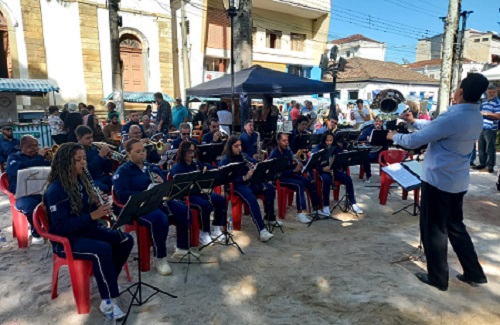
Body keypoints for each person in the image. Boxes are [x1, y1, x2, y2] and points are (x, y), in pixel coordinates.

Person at [387, 73, 489, 291]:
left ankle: (438, 277)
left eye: (457, 87)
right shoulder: (476, 116)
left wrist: (394, 137)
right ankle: (474, 272)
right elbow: (437, 128)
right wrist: (414, 122)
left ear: (460, 91)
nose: (454, 91)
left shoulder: (453, 117)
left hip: (438, 180)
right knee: (456, 227)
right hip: (458, 180)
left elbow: (415, 140)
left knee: (434, 230)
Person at [44, 143, 133, 320]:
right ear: (65, 163)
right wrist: (92, 215)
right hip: (67, 240)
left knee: (125, 239)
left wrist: (97, 203)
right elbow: (61, 227)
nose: (83, 163)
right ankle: (108, 301)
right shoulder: (56, 190)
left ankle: (109, 280)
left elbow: (84, 210)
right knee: (102, 249)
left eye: (84, 158)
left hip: (86, 230)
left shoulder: (80, 181)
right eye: (78, 160)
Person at [113, 139, 194, 275]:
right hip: (138, 206)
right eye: (137, 152)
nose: (142, 154)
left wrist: (162, 181)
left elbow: (167, 183)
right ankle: (160, 258)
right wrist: (144, 193)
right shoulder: (123, 171)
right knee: (160, 218)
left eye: (143, 151)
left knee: (183, 210)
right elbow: (121, 195)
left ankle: (182, 248)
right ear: (128, 154)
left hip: (157, 200)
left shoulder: (150, 166)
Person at [170, 141, 227, 245]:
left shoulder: (195, 163)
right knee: (205, 205)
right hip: (186, 195)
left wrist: (215, 170)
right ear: (183, 152)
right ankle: (203, 232)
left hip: (199, 192)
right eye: (190, 152)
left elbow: (205, 167)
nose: (192, 154)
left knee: (220, 200)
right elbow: (179, 187)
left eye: (193, 151)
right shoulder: (177, 167)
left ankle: (216, 228)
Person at [220, 136, 276, 241]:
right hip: (236, 186)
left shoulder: (243, 155)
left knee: (270, 188)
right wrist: (244, 177)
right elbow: (226, 180)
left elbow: (253, 162)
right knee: (251, 198)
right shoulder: (226, 160)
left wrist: (254, 166)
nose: (239, 148)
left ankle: (270, 217)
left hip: (248, 182)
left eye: (240, 145)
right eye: (236, 146)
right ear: (230, 147)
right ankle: (262, 230)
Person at [269, 132, 324, 223]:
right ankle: (300, 213)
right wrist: (293, 170)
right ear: (278, 141)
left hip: (289, 175)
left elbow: (289, 165)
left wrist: (295, 164)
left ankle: (316, 208)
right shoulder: (275, 154)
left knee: (309, 182)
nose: (287, 143)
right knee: (299, 185)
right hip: (279, 179)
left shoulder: (287, 151)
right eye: (284, 141)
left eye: (287, 141)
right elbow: (277, 173)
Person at [6, 135, 51, 244]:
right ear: (21, 147)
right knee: (31, 206)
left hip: (42, 192)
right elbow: (20, 169)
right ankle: (36, 232)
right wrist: (39, 158)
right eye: (29, 146)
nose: (34, 149)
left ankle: (54, 230)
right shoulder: (14, 157)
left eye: (36, 145)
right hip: (22, 195)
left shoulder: (42, 158)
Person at [312, 132, 363, 215]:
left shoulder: (335, 147)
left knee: (348, 179)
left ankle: (353, 203)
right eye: (327, 140)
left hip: (334, 171)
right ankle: (326, 206)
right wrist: (323, 168)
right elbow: (313, 162)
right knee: (327, 180)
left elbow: (341, 157)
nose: (329, 142)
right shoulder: (318, 147)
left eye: (330, 140)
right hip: (322, 171)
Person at [75, 126, 113, 193]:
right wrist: (100, 156)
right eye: (87, 138)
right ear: (79, 138)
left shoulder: (94, 148)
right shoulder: (77, 151)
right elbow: (88, 170)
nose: (91, 140)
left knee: (119, 182)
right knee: (104, 188)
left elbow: (107, 169)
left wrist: (108, 158)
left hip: (101, 177)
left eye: (91, 137)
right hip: (89, 179)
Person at [473, 84, 500, 173]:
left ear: (496, 92)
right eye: (489, 92)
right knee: (481, 147)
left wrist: (485, 114)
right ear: (486, 93)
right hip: (482, 127)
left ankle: (489, 167)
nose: (491, 94)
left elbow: (498, 116)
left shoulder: (497, 103)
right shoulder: (484, 102)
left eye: (493, 92)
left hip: (491, 128)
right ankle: (482, 164)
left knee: (490, 148)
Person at [358, 115, 387, 183]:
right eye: (376, 121)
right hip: (371, 152)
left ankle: (386, 177)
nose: (378, 123)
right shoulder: (368, 129)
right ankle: (368, 176)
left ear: (382, 123)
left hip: (381, 152)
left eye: (380, 122)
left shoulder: (384, 130)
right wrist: (366, 138)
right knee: (365, 157)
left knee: (388, 158)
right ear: (374, 122)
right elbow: (359, 138)